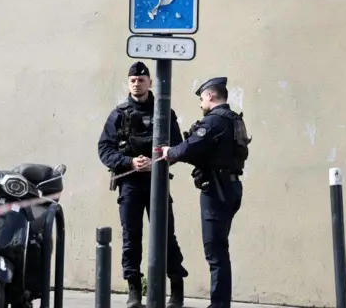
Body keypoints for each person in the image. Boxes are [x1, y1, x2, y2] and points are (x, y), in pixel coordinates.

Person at [98, 61, 188, 308]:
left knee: (166, 236)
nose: (137, 84)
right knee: (131, 238)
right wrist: (130, 162)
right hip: (130, 184)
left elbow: (178, 147)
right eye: (133, 81)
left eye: (141, 80)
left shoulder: (164, 112)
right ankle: (134, 291)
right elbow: (104, 149)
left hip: (157, 183)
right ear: (128, 84)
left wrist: (158, 161)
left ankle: (176, 289)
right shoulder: (119, 113)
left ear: (150, 82)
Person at [159, 77, 251, 308]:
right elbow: (204, 153)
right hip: (230, 187)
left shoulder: (215, 121)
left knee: (215, 251)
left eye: (202, 98)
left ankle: (219, 304)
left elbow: (190, 147)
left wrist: (170, 151)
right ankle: (220, 302)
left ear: (210, 96)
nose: (200, 103)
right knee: (219, 249)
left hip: (216, 191)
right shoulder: (232, 120)